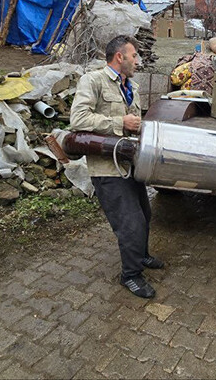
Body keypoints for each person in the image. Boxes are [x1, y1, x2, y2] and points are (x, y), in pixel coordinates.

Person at [69, 35, 163, 298]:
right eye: (134, 56)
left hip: (131, 165)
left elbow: (135, 127)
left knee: (144, 215)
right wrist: (119, 122)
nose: (137, 61)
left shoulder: (130, 85)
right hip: (107, 169)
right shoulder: (94, 81)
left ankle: (141, 256)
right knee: (130, 223)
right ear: (119, 56)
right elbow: (78, 118)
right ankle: (130, 275)